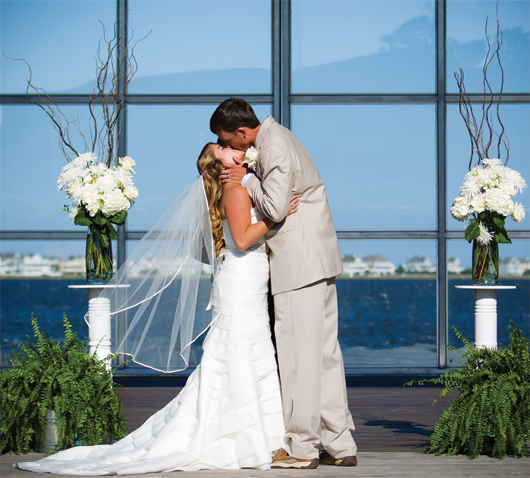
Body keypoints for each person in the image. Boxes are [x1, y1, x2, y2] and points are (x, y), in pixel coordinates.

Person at [14, 143, 299, 474]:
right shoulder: (234, 191)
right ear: (218, 164)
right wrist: (277, 216)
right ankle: (251, 438)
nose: (236, 150)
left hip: (243, 279)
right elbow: (244, 237)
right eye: (223, 148)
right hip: (241, 280)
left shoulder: (230, 190)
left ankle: (263, 436)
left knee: (247, 352)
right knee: (240, 350)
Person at [210, 97, 357, 469]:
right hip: (319, 260)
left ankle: (302, 447)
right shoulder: (282, 136)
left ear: (243, 132)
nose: (228, 149)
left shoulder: (272, 146)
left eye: (228, 141)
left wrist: (244, 178)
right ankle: (339, 443)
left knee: (297, 359)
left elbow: (275, 208)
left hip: (298, 264)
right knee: (325, 355)